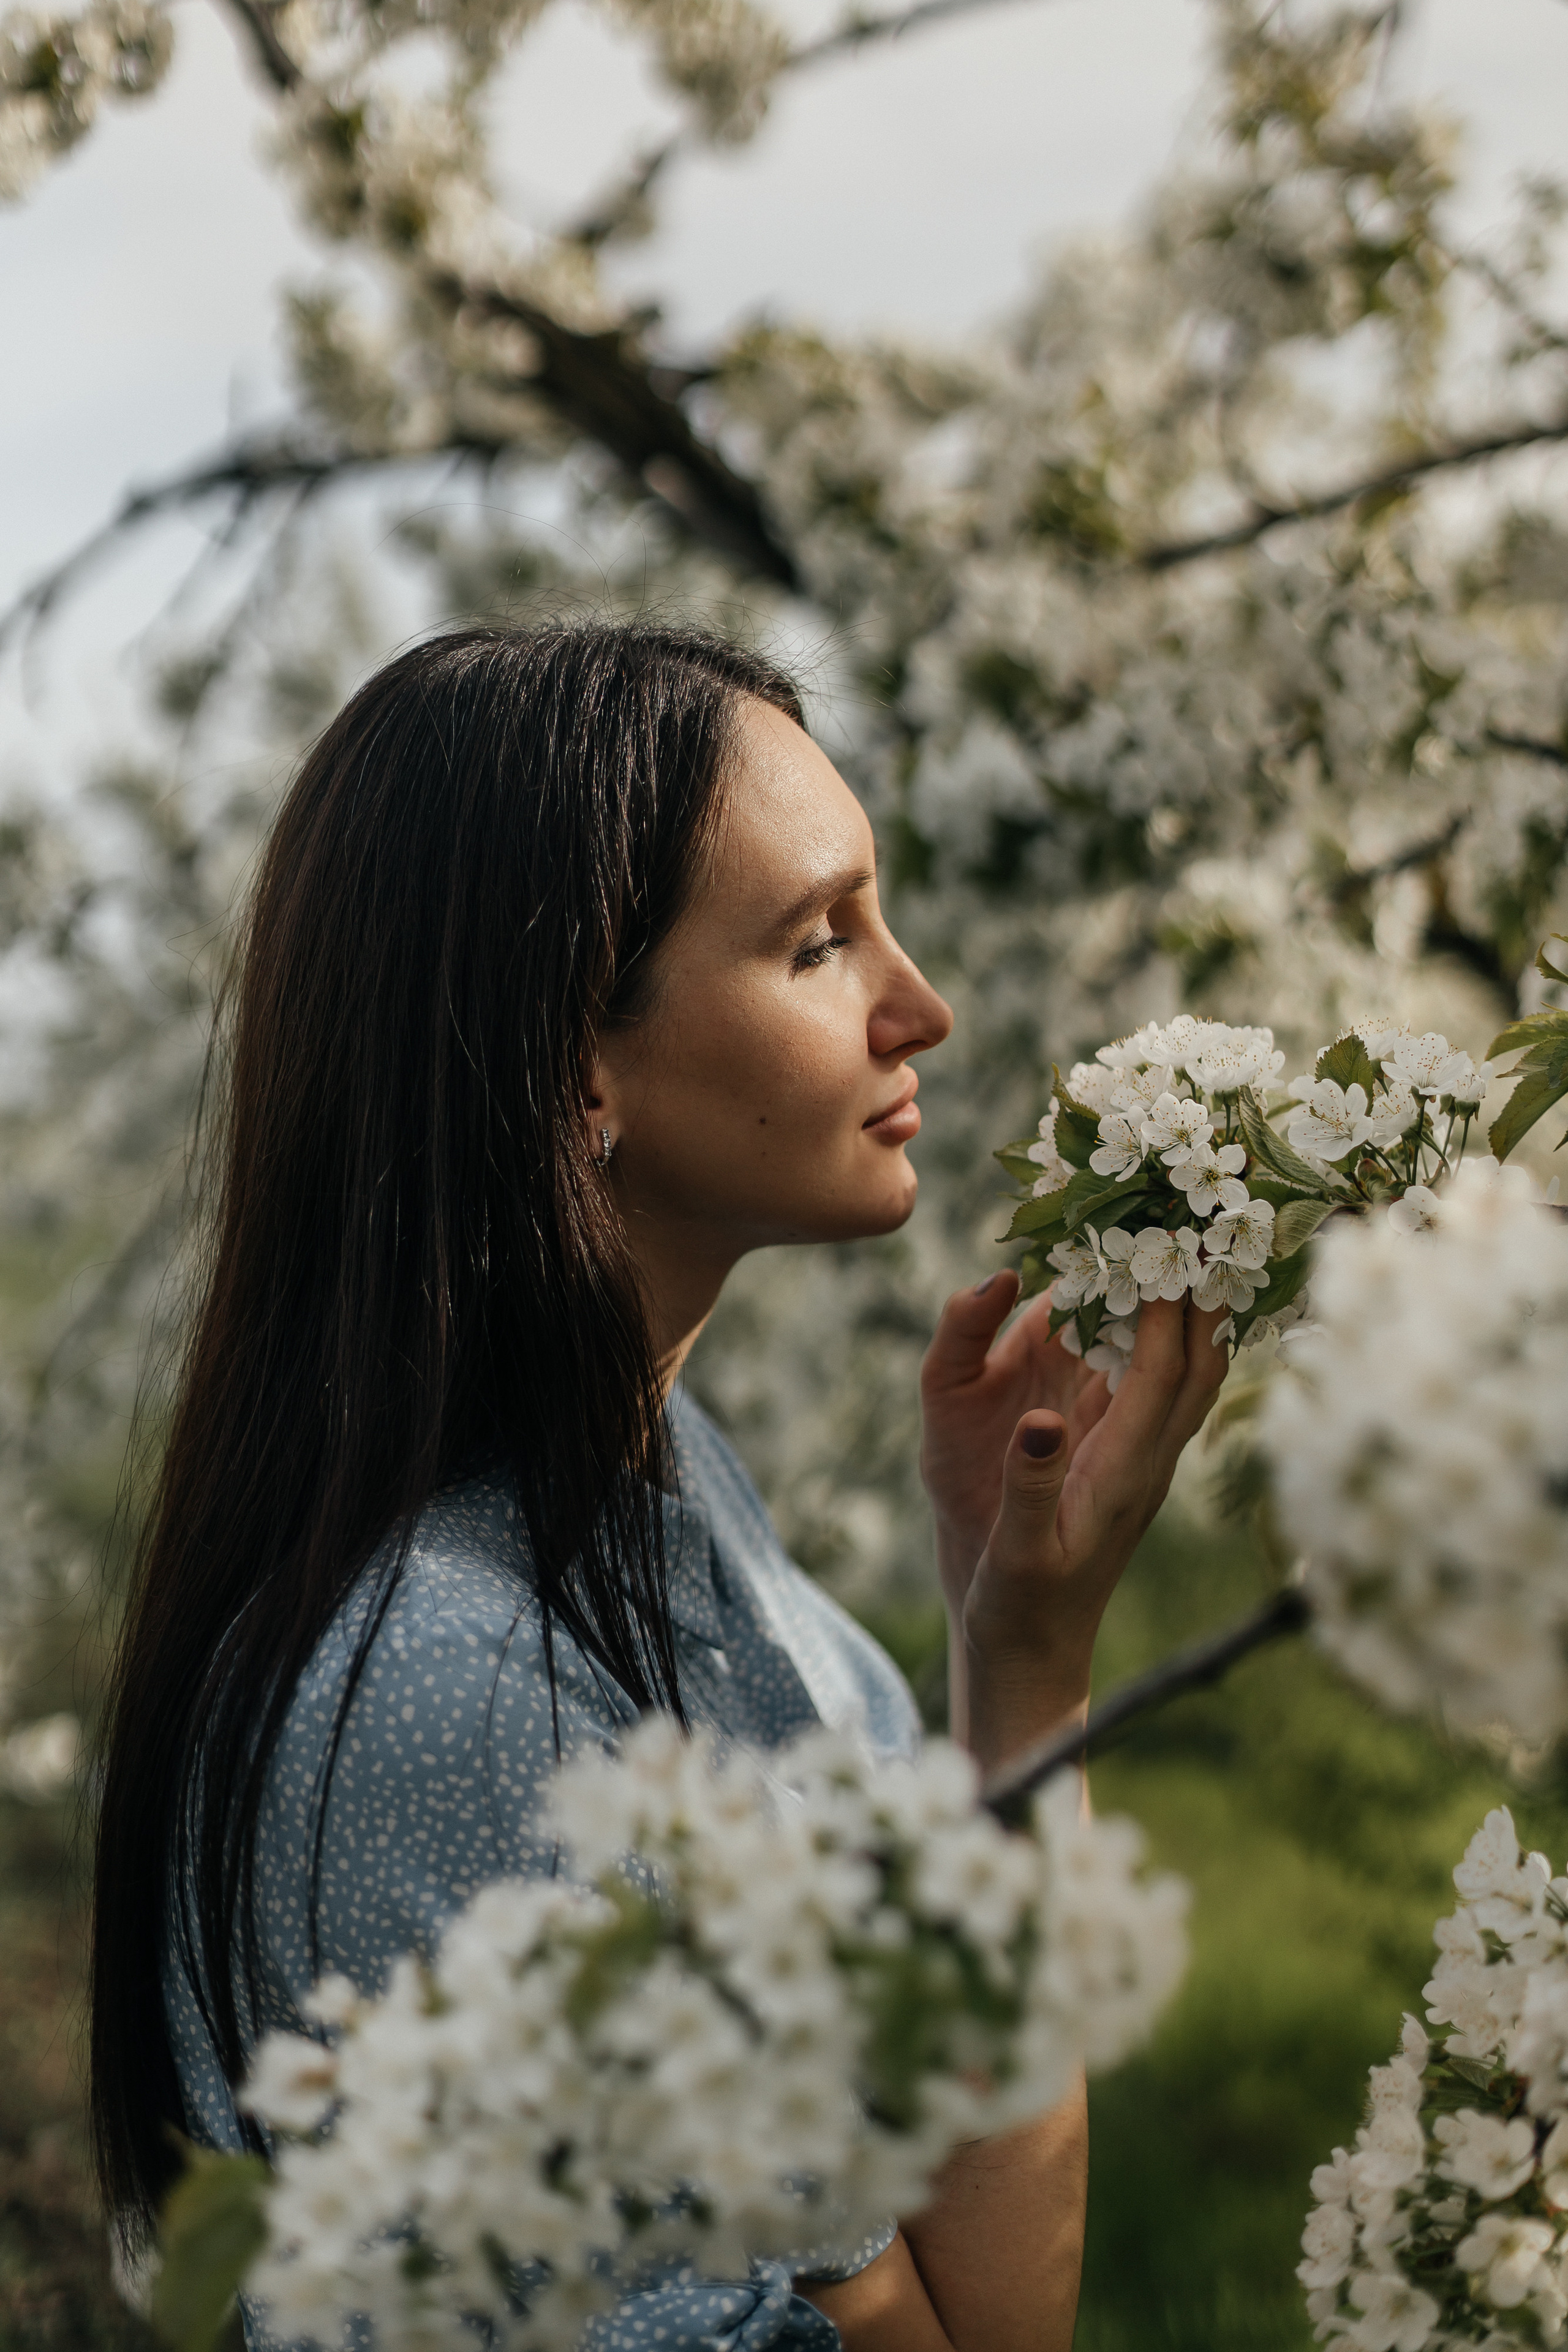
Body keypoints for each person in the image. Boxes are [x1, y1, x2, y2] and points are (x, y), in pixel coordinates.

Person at [89, 622, 1229, 2352]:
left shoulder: (667, 1489)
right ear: (576, 1067)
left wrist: (1020, 1653)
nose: (922, 1004)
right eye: (817, 942)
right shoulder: (454, 1699)